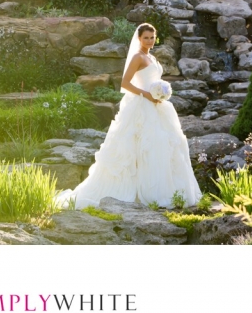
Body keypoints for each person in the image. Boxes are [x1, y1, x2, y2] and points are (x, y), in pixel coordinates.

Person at [55, 23, 201, 208]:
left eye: (152, 37)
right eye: (146, 37)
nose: (149, 40)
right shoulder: (137, 57)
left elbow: (154, 79)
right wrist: (147, 94)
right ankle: (136, 192)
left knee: (162, 145)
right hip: (142, 105)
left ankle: (163, 190)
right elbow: (125, 83)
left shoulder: (151, 57)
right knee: (140, 145)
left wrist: (161, 92)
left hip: (158, 106)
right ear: (139, 38)